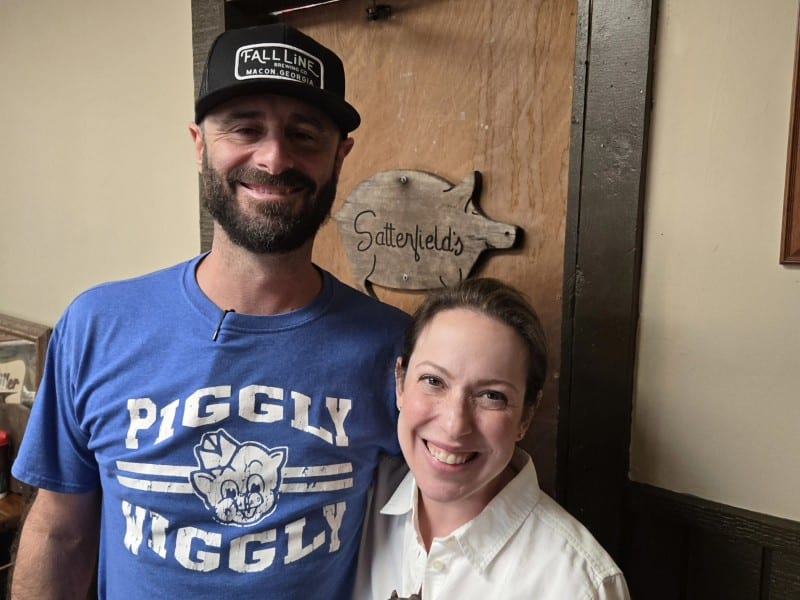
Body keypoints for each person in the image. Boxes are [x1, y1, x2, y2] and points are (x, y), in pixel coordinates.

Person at [10, 23, 409, 600]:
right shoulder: (97, 327)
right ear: (199, 144)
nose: (274, 158)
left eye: (304, 135)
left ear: (339, 156)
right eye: (245, 129)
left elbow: (442, 533)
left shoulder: (397, 349)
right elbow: (59, 534)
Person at [355, 278, 630, 599]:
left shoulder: (579, 584)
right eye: (433, 380)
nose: (454, 425)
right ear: (400, 383)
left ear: (526, 416)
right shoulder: (353, 502)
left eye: (491, 396)